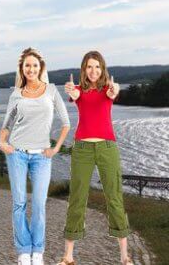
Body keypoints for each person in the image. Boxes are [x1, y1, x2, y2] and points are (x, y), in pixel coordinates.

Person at [57, 51, 132, 265]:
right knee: (77, 198)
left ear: (102, 69)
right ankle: (68, 256)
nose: (93, 71)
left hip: (107, 148)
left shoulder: (108, 89)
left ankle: (125, 257)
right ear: (84, 69)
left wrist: (115, 89)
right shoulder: (78, 90)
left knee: (115, 198)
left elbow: (113, 93)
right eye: (89, 67)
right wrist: (69, 90)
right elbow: (75, 94)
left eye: (97, 67)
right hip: (82, 149)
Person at [0, 48, 70, 265]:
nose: (31, 69)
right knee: (19, 203)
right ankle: (23, 251)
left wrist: (55, 147)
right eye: (27, 65)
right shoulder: (16, 94)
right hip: (17, 155)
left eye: (35, 66)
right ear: (22, 69)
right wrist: (3, 143)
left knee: (39, 203)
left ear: (41, 69)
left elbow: (66, 122)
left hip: (42, 157)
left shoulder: (51, 90)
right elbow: (6, 125)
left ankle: (37, 250)